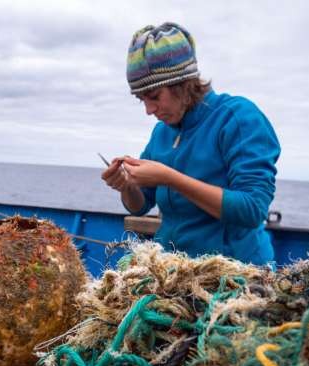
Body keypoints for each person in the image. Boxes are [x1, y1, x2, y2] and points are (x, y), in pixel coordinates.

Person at [102, 22, 280, 266]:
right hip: (174, 270)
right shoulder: (162, 132)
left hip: (234, 272)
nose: (148, 110)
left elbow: (252, 209)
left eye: (154, 97)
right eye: (140, 99)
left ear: (184, 83)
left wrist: (170, 178)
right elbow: (140, 205)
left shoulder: (238, 118)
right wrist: (126, 186)